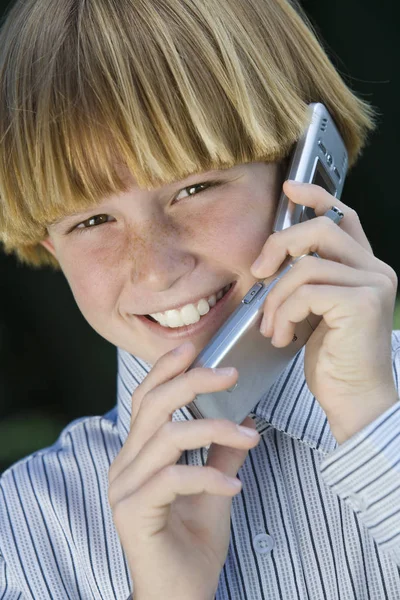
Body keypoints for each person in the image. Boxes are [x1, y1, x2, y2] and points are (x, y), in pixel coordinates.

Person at [0, 0, 399, 598]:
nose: (157, 270)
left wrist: (377, 429)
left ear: (306, 175)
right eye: (91, 221)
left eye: (196, 187)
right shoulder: (25, 528)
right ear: (49, 246)